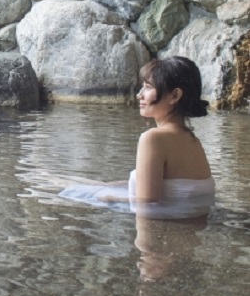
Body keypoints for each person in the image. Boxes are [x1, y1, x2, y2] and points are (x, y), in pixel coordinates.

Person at [58, 56, 215, 219]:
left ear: (174, 96)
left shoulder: (153, 138)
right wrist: (102, 186)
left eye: (148, 87)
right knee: (78, 186)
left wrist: (103, 197)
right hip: (192, 225)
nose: (139, 95)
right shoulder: (192, 140)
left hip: (160, 228)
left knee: (70, 194)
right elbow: (170, 189)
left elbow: (147, 203)